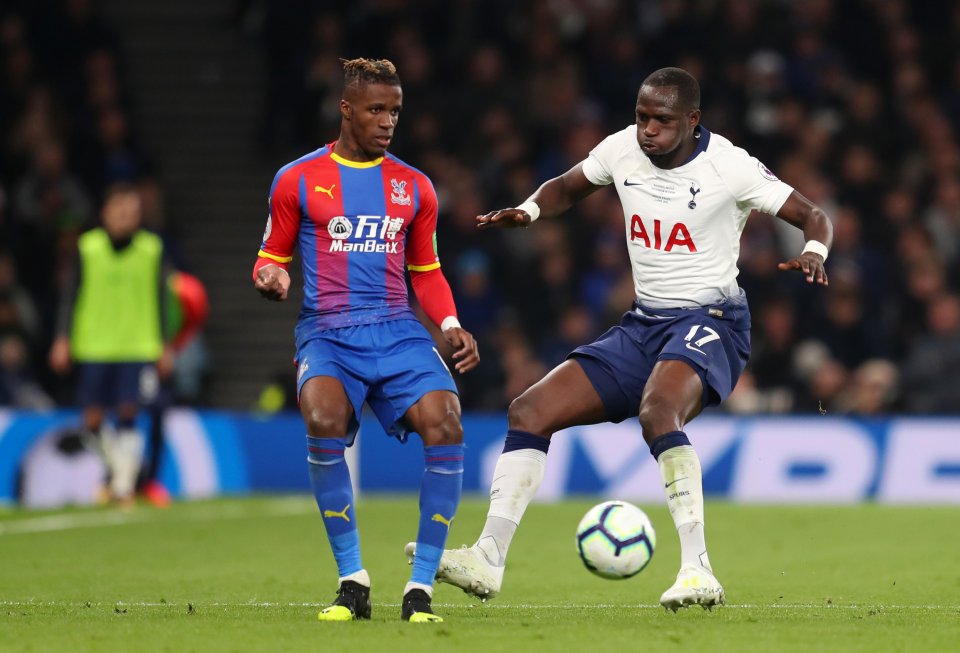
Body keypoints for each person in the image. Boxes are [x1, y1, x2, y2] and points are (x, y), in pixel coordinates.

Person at [407, 67, 832, 611]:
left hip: (713, 321)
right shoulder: (621, 149)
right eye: (641, 117)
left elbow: (814, 216)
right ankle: (488, 557)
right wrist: (529, 210)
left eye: (661, 120)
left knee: (659, 413)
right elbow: (565, 188)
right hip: (643, 326)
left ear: (693, 120)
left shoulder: (729, 165)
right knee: (529, 411)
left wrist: (815, 252)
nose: (648, 130)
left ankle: (698, 570)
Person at [253, 58, 479, 623]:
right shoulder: (297, 178)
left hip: (397, 328)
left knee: (446, 421)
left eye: (395, 111)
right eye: (376, 110)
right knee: (324, 420)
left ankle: (420, 588)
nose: (387, 122)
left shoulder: (414, 187)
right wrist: (270, 277)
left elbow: (425, 270)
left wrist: (450, 325)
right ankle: (352, 581)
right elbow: (271, 255)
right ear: (346, 109)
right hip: (328, 330)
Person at [49, 183, 173, 507]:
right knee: (91, 420)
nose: (125, 218)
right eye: (119, 211)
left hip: (138, 344)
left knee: (128, 413)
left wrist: (165, 344)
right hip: (94, 344)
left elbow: (162, 299)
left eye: (132, 213)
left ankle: (121, 488)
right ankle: (121, 475)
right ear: (105, 213)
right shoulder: (87, 247)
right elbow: (70, 295)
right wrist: (62, 337)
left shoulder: (151, 248)